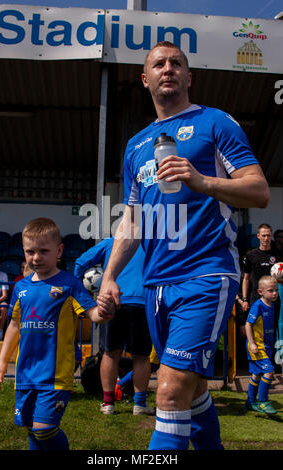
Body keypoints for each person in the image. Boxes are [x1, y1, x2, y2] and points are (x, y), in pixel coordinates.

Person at [98, 41, 270, 450]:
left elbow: (259, 191)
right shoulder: (136, 145)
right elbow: (133, 219)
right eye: (159, 64)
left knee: (169, 392)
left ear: (190, 77)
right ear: (145, 79)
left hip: (206, 274)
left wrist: (202, 181)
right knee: (191, 393)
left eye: (177, 63)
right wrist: (109, 276)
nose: (168, 69)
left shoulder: (215, 123)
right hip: (158, 284)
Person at [0, 218, 114, 451]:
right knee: (31, 427)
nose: (36, 257)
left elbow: (92, 313)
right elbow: (14, 326)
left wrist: (104, 311)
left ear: (58, 251)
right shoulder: (21, 287)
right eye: (30, 251)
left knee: (44, 429)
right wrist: (1, 362)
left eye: (43, 251)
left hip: (55, 374)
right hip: (25, 373)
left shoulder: (69, 284)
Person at [74, 237, 154, 415]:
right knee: (141, 357)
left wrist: (81, 292)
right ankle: (139, 405)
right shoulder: (151, 242)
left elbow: (80, 263)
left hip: (111, 301)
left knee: (110, 353)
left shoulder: (112, 241)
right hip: (142, 302)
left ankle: (108, 404)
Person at [245, 275, 278, 414]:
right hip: (257, 347)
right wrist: (252, 343)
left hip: (266, 346)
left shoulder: (272, 305)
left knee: (256, 375)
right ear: (260, 292)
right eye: (271, 290)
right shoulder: (257, 305)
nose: (275, 293)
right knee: (269, 372)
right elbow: (248, 325)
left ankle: (250, 402)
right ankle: (263, 402)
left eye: (276, 290)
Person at [242, 224, 278, 312]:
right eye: (263, 235)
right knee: (256, 324)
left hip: (274, 298)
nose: (266, 238)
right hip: (256, 297)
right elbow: (246, 279)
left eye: (268, 235)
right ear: (258, 236)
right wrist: (245, 299)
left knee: (273, 324)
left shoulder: (278, 254)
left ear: (272, 236)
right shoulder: (251, 255)